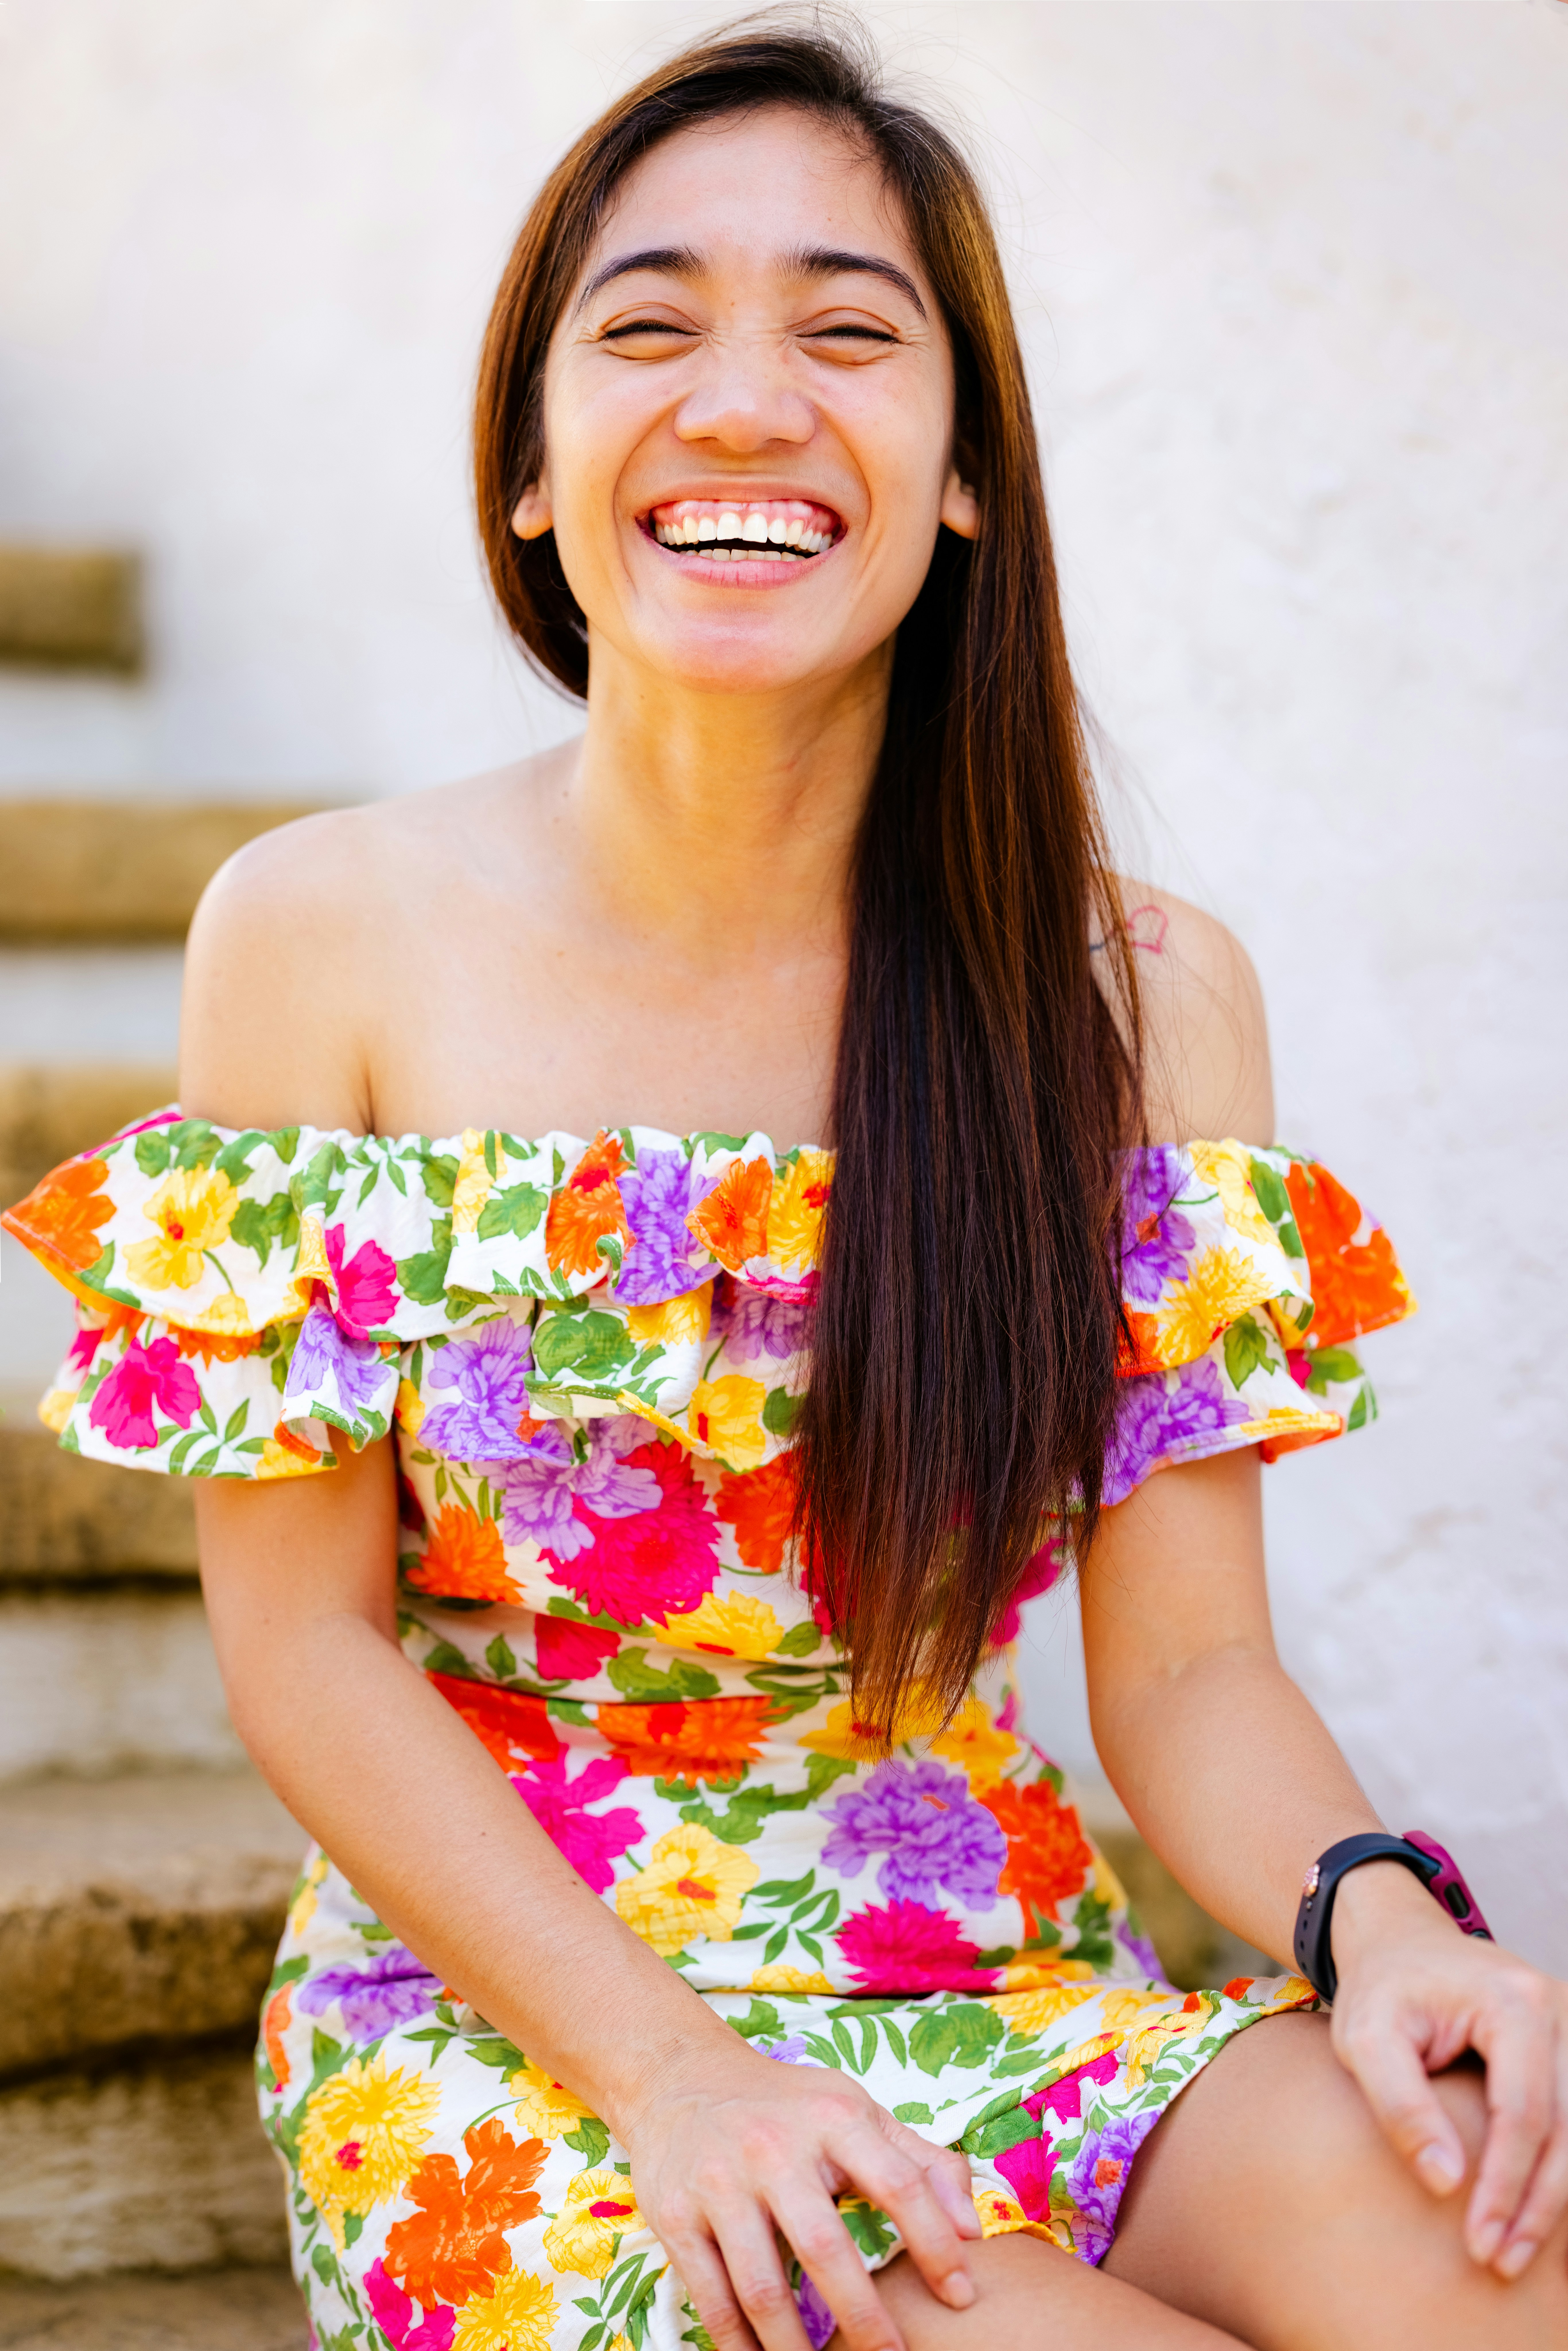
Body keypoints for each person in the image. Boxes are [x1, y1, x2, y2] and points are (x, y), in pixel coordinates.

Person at [7, 25, 1565, 2350]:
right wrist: (672, 2069)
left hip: (993, 1963)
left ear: (959, 477)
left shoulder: (1140, 999)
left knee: (1492, 2252)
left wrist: (1383, 1921)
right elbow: (304, 1645)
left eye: (848, 331)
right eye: (646, 329)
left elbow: (1193, 1659)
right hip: (527, 2021)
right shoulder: (320, 931)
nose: (744, 403)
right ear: (531, 475)